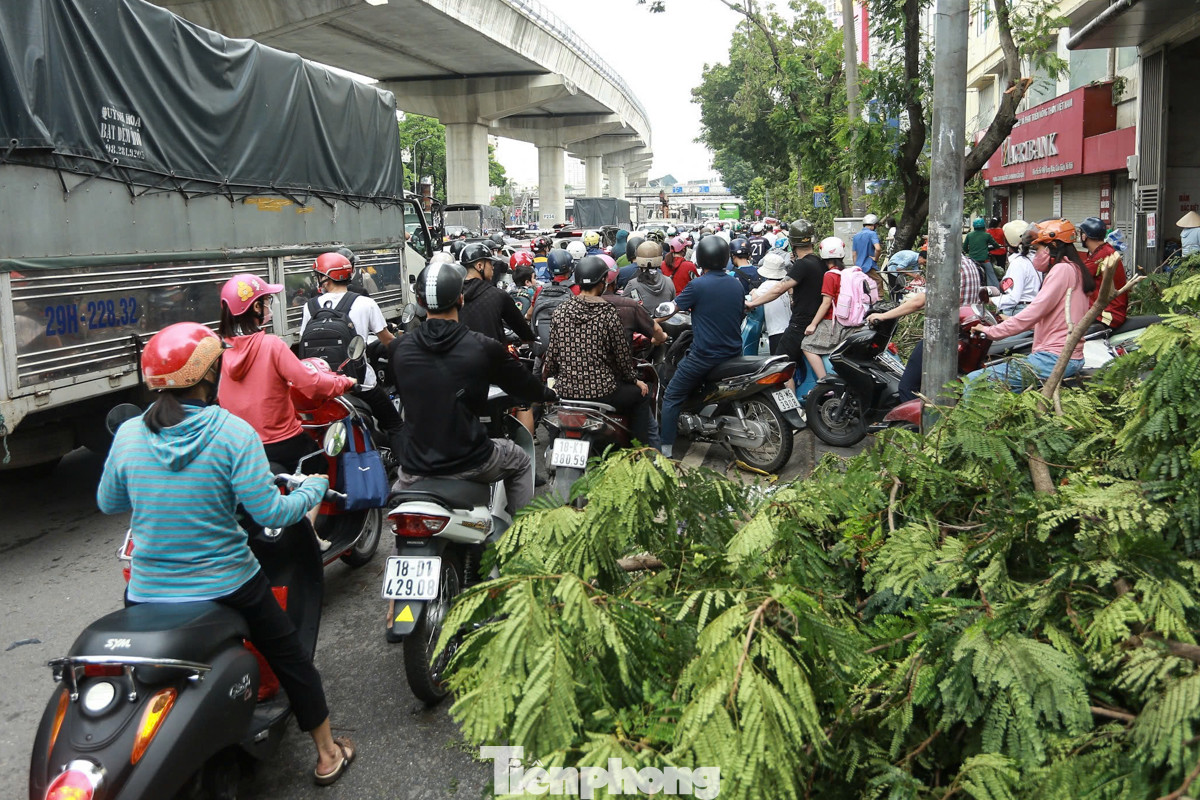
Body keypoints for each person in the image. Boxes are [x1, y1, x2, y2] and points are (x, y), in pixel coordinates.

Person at [99, 323, 355, 786]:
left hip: (147, 591)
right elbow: (269, 509)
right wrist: (314, 488)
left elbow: (110, 502)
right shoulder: (232, 433)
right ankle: (326, 753)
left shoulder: (131, 435)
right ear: (209, 374)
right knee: (290, 657)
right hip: (228, 583)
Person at [389, 263, 556, 514]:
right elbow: (524, 385)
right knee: (520, 461)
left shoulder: (398, 348)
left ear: (420, 302)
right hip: (470, 459)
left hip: (413, 466)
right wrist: (548, 394)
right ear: (461, 298)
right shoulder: (483, 347)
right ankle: (525, 541)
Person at [218, 273, 356, 541]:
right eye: (266, 301)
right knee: (320, 467)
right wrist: (343, 382)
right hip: (281, 442)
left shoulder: (219, 350)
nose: (269, 306)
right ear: (255, 308)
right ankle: (308, 533)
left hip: (238, 447)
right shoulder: (270, 345)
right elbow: (311, 383)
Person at [967, 219, 1094, 391]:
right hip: (1065, 355)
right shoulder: (1074, 269)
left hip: (1053, 357)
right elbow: (1048, 315)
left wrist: (990, 332)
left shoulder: (1061, 270)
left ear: (1053, 246)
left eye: (1038, 249)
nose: (1035, 255)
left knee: (974, 382)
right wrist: (1008, 319)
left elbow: (1034, 311)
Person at [300, 251, 404, 455]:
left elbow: (305, 340)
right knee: (395, 425)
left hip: (323, 386)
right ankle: (408, 469)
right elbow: (387, 341)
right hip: (361, 384)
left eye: (319, 275)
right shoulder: (365, 303)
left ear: (327, 278)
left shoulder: (309, 307)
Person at [543, 256, 653, 446]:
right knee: (641, 396)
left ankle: (554, 446)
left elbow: (552, 355)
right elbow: (622, 357)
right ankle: (640, 453)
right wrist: (635, 380)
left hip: (566, 392)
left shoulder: (560, 311)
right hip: (602, 392)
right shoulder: (607, 313)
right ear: (603, 281)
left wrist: (550, 377)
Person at [659, 236, 744, 458]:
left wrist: (650, 321)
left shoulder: (698, 285)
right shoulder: (736, 284)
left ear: (702, 257)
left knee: (671, 396)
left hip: (704, 357)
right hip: (734, 354)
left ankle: (665, 450)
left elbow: (672, 309)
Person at [865, 251, 982, 403]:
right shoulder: (970, 264)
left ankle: (916, 425)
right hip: (963, 336)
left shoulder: (949, 267)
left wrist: (883, 316)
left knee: (907, 387)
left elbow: (920, 301)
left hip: (941, 336)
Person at [745, 218, 826, 399]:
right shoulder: (820, 263)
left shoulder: (802, 265)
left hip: (800, 324)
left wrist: (752, 303)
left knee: (780, 364)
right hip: (816, 321)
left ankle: (791, 408)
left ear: (792, 243)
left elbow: (779, 288)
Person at [458, 242, 536, 344]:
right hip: (493, 357)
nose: (493, 267)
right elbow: (524, 333)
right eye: (490, 263)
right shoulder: (498, 295)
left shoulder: (452, 295)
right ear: (479, 266)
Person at [801, 238, 853, 382]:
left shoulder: (830, 275)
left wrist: (812, 325)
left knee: (807, 345)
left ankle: (824, 381)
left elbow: (826, 303)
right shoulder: (847, 273)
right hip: (849, 320)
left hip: (832, 322)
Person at [1078, 216, 1128, 330]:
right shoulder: (1105, 250)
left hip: (1107, 315)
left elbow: (1078, 275)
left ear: (1085, 236)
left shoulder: (1103, 254)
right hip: (1108, 312)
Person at [991, 220, 1041, 317]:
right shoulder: (1035, 258)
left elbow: (1013, 298)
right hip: (1032, 309)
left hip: (1018, 311)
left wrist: (990, 301)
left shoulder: (1018, 263)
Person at [751, 251, 792, 354]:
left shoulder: (767, 285)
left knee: (778, 362)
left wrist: (754, 292)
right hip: (788, 328)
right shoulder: (784, 284)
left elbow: (754, 299)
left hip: (776, 331)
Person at [625, 240, 676, 313]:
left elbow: (623, 305)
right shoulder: (669, 281)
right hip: (664, 322)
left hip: (641, 323)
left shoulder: (633, 284)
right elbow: (672, 304)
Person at [963, 217, 1002, 289]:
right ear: (983, 226)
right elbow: (995, 245)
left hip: (972, 260)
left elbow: (964, 248)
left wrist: (969, 252)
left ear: (974, 226)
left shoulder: (969, 235)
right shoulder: (987, 235)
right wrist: (997, 247)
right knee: (991, 274)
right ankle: (997, 290)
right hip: (984, 260)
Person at [851, 214, 883, 292]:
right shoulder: (872, 234)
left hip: (859, 266)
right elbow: (878, 248)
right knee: (878, 281)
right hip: (869, 265)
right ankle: (879, 300)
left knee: (863, 285)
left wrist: (857, 266)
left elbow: (854, 254)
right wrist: (876, 259)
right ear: (873, 225)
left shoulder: (856, 236)